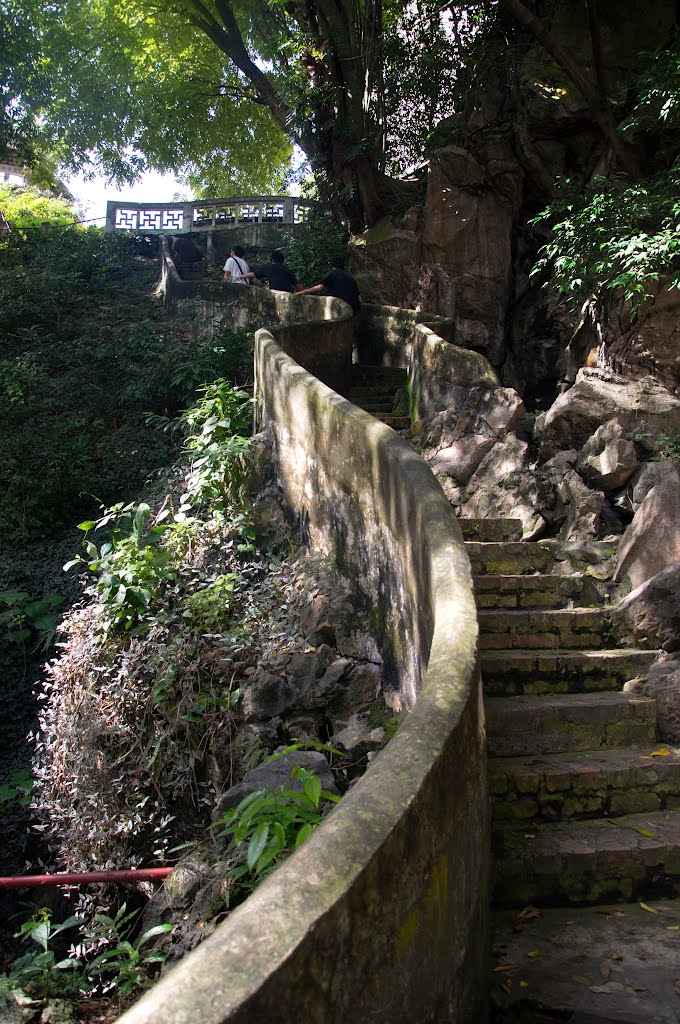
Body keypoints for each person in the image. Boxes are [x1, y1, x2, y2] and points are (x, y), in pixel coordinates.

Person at [234, 249, 301, 292]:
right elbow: (297, 286)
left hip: (274, 293)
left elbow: (253, 274)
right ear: (282, 261)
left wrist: (241, 276)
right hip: (288, 293)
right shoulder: (287, 269)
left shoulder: (267, 267)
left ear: (272, 260)